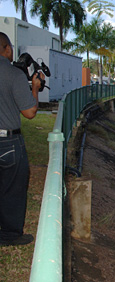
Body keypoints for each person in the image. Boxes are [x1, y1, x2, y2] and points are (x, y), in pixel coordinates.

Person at [0, 32, 45, 246]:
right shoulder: (13, 75)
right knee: (13, 188)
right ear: (6, 48)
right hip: (8, 143)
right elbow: (29, 112)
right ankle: (9, 235)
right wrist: (35, 89)